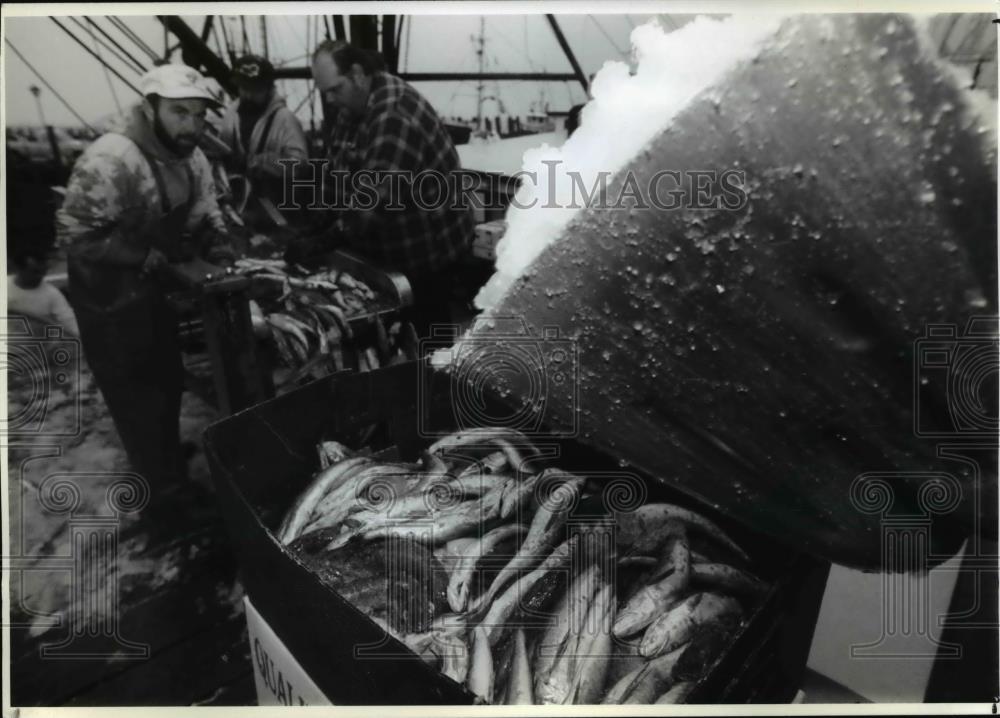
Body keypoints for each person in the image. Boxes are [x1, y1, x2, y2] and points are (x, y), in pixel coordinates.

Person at [56, 64, 232, 521]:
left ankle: (164, 458)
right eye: (179, 113)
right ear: (150, 107)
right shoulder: (111, 159)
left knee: (166, 380)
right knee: (134, 393)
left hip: (152, 296)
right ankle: (164, 500)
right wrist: (140, 256)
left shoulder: (191, 156)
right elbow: (75, 235)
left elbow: (204, 207)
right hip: (110, 301)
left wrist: (217, 236)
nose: (191, 125)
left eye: (198, 114)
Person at [310, 41, 475, 338]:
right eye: (326, 93)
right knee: (392, 336)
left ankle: (435, 378)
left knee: (428, 338)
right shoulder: (353, 105)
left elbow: (374, 203)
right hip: (389, 244)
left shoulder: (395, 114)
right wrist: (320, 218)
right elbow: (334, 169)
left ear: (358, 74)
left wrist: (325, 240)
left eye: (335, 89)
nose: (331, 100)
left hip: (429, 249)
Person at [219, 55, 308, 218]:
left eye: (255, 89)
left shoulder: (285, 119)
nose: (248, 95)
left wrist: (265, 162)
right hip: (238, 205)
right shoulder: (230, 115)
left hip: (275, 210)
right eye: (243, 88)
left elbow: (300, 166)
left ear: (269, 88)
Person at [7, 245, 79, 337]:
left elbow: (70, 323)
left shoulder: (53, 295)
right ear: (19, 268)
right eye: (35, 272)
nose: (40, 277)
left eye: (43, 272)